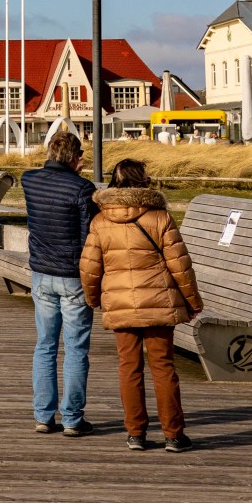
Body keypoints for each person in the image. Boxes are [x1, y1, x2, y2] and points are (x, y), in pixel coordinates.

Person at [80, 159, 203, 453]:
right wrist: (193, 302)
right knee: (163, 367)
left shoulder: (100, 220)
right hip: (159, 303)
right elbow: (180, 266)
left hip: (120, 302)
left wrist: (94, 298)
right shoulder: (160, 217)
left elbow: (89, 267)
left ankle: (136, 433)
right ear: (144, 179)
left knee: (129, 368)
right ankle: (173, 435)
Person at [20, 132, 99, 437]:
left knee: (45, 345)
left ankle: (43, 415)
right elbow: (87, 236)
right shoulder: (82, 188)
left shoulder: (30, 180)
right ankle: (72, 418)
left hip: (41, 272)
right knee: (76, 348)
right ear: (74, 157)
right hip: (72, 275)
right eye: (80, 155)